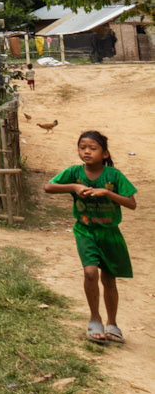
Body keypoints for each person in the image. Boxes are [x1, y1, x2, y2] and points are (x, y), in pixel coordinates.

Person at [44, 130, 136, 343]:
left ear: (104, 154)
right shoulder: (75, 172)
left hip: (110, 233)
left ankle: (112, 323)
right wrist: (74, 187)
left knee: (109, 278)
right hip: (85, 230)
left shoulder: (114, 176)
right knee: (90, 273)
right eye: (82, 147)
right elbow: (49, 187)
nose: (86, 151)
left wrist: (108, 194)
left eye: (92, 148)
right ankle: (95, 318)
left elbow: (131, 203)